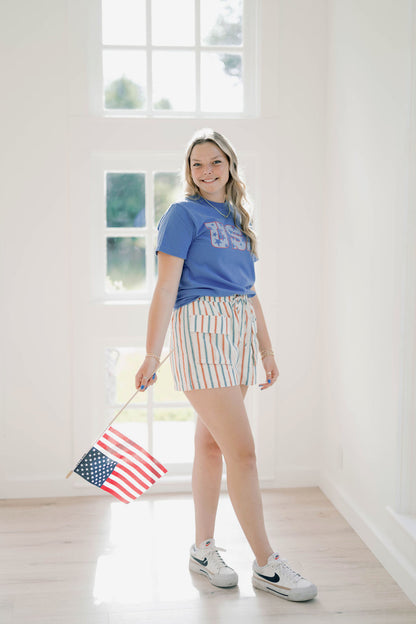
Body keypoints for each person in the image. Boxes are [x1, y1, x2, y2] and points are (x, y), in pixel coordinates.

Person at [134, 129, 317, 602]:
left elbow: (249, 292)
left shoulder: (236, 217)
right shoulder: (181, 214)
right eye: (197, 164)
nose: (207, 171)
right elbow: (165, 288)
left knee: (212, 448)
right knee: (244, 453)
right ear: (189, 171)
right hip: (201, 327)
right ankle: (266, 563)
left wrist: (267, 349)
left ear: (230, 165)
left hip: (237, 330)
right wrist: (152, 353)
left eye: (215, 162)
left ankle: (201, 548)